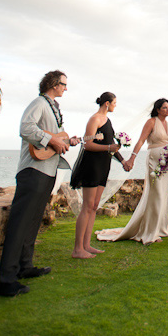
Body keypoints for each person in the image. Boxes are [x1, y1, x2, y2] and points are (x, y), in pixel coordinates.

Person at [0, 70, 78, 296]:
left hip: (48, 170)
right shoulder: (39, 103)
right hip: (32, 171)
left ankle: (25, 266)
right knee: (20, 223)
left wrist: (65, 140)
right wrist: (51, 139)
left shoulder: (53, 107)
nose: (66, 88)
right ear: (52, 83)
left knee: (32, 221)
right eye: (63, 84)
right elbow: (26, 128)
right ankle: (5, 280)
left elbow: (53, 138)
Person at [96, 98, 168, 245]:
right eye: (164, 107)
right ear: (158, 109)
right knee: (156, 193)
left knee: (164, 194)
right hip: (154, 162)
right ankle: (150, 231)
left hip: (167, 164)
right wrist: (132, 158)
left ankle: (162, 227)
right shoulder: (151, 122)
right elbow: (141, 141)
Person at [70, 92, 128, 259]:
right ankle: (77, 249)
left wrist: (122, 160)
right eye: (114, 103)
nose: (116, 106)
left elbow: (111, 145)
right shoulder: (95, 119)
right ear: (107, 103)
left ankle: (86, 245)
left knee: (95, 206)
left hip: (104, 166)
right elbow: (87, 144)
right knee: (87, 206)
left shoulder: (108, 121)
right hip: (92, 165)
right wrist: (108, 148)